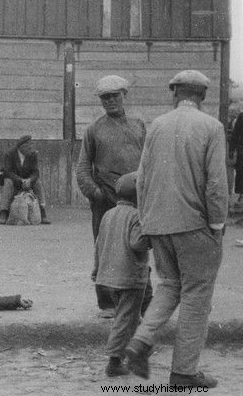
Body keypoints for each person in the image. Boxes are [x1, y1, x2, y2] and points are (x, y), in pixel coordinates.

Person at [125, 70, 228, 388]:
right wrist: (217, 223)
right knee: (197, 296)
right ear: (203, 96)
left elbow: (141, 178)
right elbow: (216, 183)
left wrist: (147, 220)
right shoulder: (212, 127)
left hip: (158, 223)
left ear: (174, 94)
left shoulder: (156, 125)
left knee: (170, 285)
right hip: (195, 224)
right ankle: (183, 372)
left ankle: (140, 342)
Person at [76, 75, 147, 319]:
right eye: (105, 97)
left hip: (137, 199)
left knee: (138, 248)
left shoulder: (139, 126)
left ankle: (141, 302)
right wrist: (95, 194)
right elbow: (83, 167)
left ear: (124, 95)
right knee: (104, 249)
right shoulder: (94, 130)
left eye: (115, 95)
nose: (110, 101)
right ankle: (107, 303)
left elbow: (148, 162)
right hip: (106, 200)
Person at [91, 172, 152, 377]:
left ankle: (139, 349)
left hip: (108, 278)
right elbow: (138, 243)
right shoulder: (136, 216)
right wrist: (151, 237)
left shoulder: (108, 214)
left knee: (128, 316)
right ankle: (114, 360)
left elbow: (99, 244)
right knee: (125, 319)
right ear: (138, 197)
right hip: (130, 278)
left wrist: (96, 269)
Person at [0, 135, 51, 225]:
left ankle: (42, 211)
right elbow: (7, 172)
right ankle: (4, 212)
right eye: (28, 147)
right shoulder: (10, 154)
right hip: (14, 180)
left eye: (31, 146)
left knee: (38, 183)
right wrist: (20, 180)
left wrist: (30, 180)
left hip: (27, 181)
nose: (31, 149)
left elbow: (36, 172)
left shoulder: (32, 154)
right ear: (21, 147)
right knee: (8, 182)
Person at [232, 109, 243, 204]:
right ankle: (241, 195)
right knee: (241, 172)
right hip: (242, 149)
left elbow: (235, 134)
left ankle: (241, 195)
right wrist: (232, 149)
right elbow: (235, 134)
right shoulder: (241, 116)